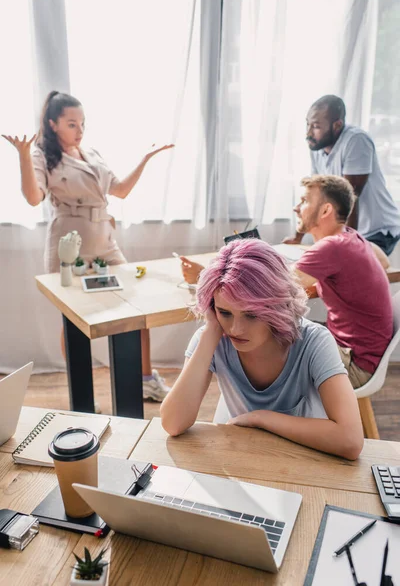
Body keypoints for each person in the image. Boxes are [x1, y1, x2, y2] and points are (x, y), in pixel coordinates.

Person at [3, 90, 174, 401]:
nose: (79, 131)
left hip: (105, 241)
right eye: (72, 124)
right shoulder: (42, 156)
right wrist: (23, 156)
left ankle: (145, 379)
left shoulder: (91, 153)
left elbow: (120, 190)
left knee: (138, 310)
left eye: (82, 123)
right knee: (74, 320)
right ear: (53, 124)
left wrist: (145, 159)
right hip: (71, 245)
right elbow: (32, 197)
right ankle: (83, 394)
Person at [160, 239, 364, 460]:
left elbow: (350, 440)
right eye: (224, 312)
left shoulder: (314, 341)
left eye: (251, 314)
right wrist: (210, 332)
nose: (235, 329)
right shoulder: (212, 337)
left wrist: (261, 418)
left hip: (307, 460)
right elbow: (173, 423)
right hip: (244, 457)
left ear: (277, 305)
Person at [293, 175, 393, 389]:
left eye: (304, 201)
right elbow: (383, 261)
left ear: (325, 210)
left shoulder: (332, 247)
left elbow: (276, 285)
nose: (296, 207)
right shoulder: (351, 237)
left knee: (269, 340)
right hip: (366, 357)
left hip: (353, 366)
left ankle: (265, 416)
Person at [284, 95, 400, 255]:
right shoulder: (317, 145)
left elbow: (350, 198)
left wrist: (348, 247)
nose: (308, 133)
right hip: (350, 230)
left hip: (377, 230)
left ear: (337, 125)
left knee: (350, 272)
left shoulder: (356, 141)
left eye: (316, 127)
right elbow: (313, 194)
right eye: (308, 124)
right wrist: (298, 237)